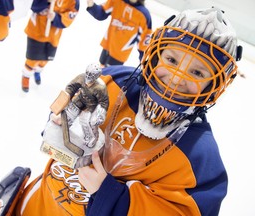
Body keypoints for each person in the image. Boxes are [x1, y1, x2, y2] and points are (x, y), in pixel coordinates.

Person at [13, 7, 242, 215]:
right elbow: (57, 120)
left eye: (198, 73)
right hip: (36, 204)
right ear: (155, 53)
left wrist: (112, 197)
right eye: (171, 59)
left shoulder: (201, 160)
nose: (176, 78)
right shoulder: (111, 80)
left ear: (214, 86)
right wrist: (56, 129)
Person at [21, 0, 80, 93]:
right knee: (32, 59)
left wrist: (56, 18)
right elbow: (31, 5)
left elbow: (70, 17)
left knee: (45, 60)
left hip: (53, 35)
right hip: (37, 30)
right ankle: (26, 76)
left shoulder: (74, 2)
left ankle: (38, 71)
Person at [86, 0, 152, 67]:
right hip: (108, 45)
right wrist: (90, 3)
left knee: (107, 75)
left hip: (120, 53)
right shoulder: (117, 1)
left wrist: (143, 61)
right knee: (100, 69)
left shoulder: (144, 14)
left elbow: (144, 42)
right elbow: (101, 13)